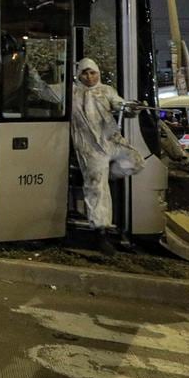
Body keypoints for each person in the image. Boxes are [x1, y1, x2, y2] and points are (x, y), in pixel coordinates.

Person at [70, 57, 145, 254]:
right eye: (85, 73)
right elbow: (45, 91)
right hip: (89, 148)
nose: (89, 76)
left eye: (93, 72)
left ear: (98, 73)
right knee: (97, 189)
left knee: (136, 161)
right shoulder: (72, 93)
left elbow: (120, 105)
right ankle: (100, 233)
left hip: (110, 141)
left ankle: (108, 174)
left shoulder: (107, 91)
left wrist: (131, 107)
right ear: (79, 75)